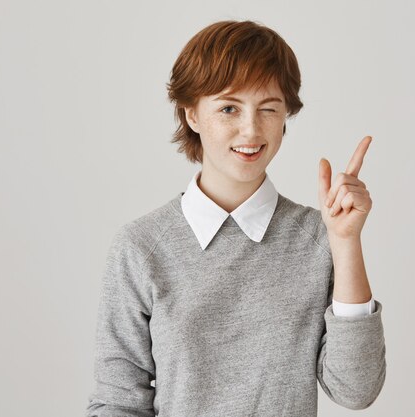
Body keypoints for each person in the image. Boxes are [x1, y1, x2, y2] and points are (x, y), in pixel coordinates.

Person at [86, 20, 386, 417]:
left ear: (285, 117)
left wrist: (346, 242)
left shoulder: (319, 237)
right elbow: (118, 402)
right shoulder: (140, 247)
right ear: (191, 114)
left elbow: (355, 389)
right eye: (229, 108)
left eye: (268, 108)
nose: (251, 129)